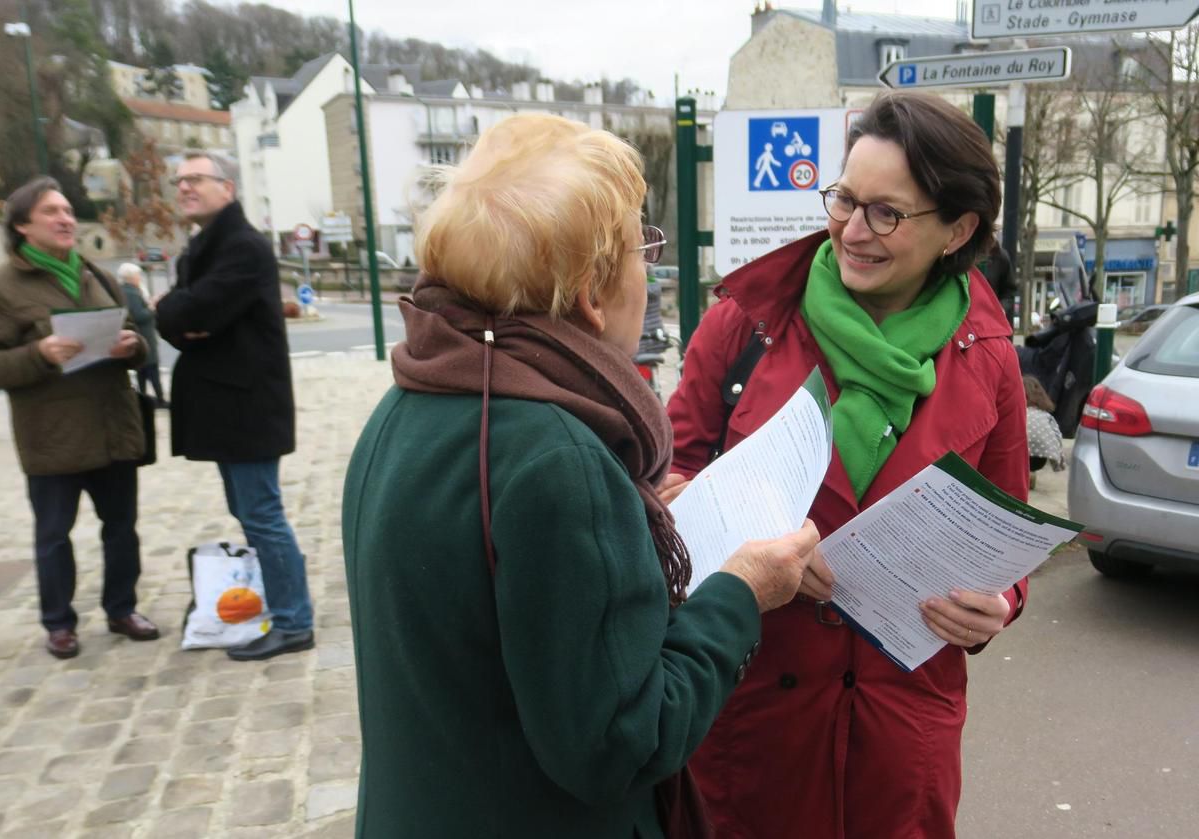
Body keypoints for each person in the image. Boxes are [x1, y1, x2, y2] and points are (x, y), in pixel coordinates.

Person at [341, 113, 822, 837]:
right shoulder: (559, 459)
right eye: (641, 249)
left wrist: (629, 518)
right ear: (592, 294)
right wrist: (742, 593)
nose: (649, 271)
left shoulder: (412, 399)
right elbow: (621, 741)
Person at [665, 92, 1030, 838]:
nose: (851, 230)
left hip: (902, 735)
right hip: (755, 716)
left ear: (958, 229)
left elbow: (1007, 531)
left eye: (886, 213)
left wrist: (1001, 604)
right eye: (844, 199)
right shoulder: (748, 323)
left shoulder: (991, 359)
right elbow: (664, 488)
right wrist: (754, 547)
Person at [0, 177, 160, 659]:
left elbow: (136, 337)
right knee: (54, 535)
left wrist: (132, 346)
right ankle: (59, 623)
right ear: (22, 226)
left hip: (112, 425)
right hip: (52, 436)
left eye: (69, 210)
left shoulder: (99, 274)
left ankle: (122, 608)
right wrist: (40, 352)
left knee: (122, 527)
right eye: (52, 212)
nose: (66, 219)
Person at [155, 151, 314, 662]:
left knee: (262, 514)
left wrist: (179, 312)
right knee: (250, 512)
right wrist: (179, 316)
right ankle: (285, 605)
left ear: (227, 187)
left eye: (195, 178)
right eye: (179, 180)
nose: (184, 187)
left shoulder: (242, 248)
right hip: (227, 405)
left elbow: (193, 310)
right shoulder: (204, 248)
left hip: (246, 406)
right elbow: (179, 320)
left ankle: (294, 622)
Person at [117, 262, 168, 408]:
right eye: (138, 275)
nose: (139, 278)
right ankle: (159, 400)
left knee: (142, 371)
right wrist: (153, 307)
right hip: (144, 335)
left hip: (138, 334)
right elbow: (139, 315)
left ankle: (144, 399)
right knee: (151, 369)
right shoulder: (131, 292)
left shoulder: (125, 290)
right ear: (131, 277)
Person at [1023, 374, 1065, 489]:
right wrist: (1058, 463)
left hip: (1019, 455)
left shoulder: (1018, 414)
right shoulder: (1046, 416)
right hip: (1040, 459)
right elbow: (1057, 436)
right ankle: (1031, 472)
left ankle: (1024, 474)